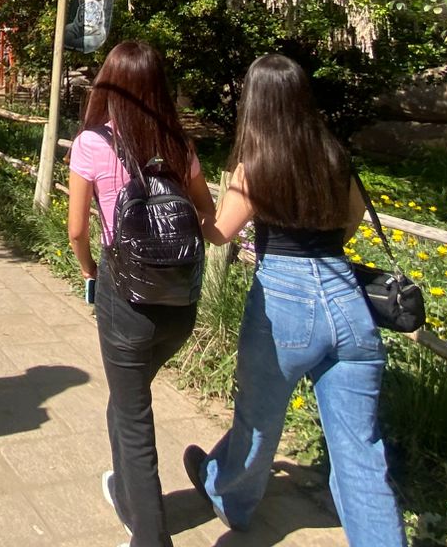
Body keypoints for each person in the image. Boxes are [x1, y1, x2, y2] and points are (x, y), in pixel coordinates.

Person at [184, 54, 405, 547]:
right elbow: (352, 219)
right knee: (362, 453)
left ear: (255, 102)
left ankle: (229, 497)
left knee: (258, 422)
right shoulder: (334, 155)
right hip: (346, 297)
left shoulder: (256, 165)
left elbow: (219, 233)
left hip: (284, 301)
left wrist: (195, 200)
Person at [66, 40, 216, 547]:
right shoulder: (179, 144)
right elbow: (206, 213)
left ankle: (150, 535)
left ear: (108, 85)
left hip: (125, 295)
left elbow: (76, 230)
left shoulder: (92, 144)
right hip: (179, 300)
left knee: (132, 415)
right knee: (126, 399)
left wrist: (89, 271)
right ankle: (128, 498)